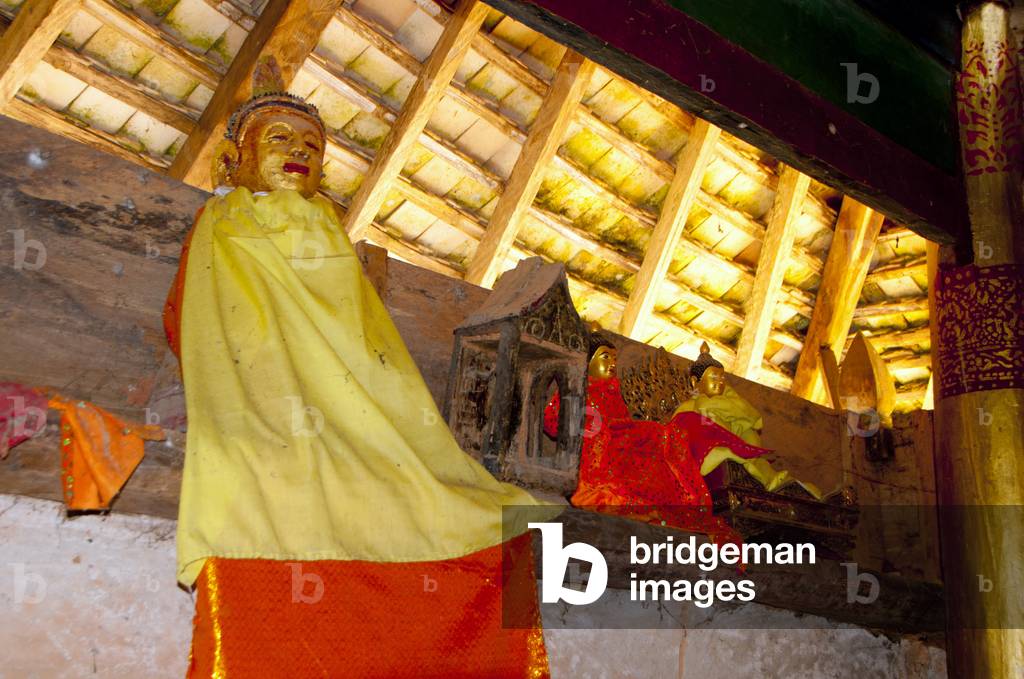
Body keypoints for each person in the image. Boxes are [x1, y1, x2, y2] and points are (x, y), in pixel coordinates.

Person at [164, 57, 552, 678]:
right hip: (269, 411)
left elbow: (372, 356)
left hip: (358, 417)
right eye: (279, 139)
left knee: (471, 514)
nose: (300, 153)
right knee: (269, 484)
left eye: (313, 147)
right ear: (234, 160)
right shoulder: (225, 222)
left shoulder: (331, 236)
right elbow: (208, 324)